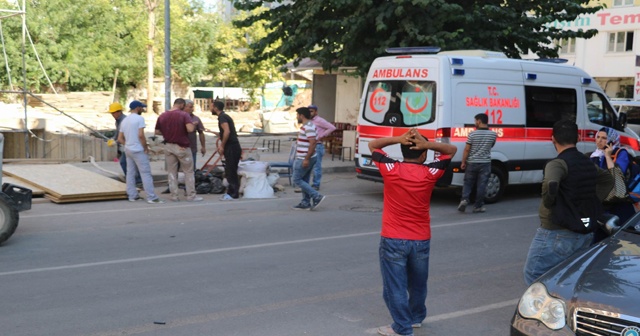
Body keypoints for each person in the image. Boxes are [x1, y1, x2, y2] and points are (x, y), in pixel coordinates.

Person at [369, 129, 456, 336]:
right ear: (423, 154)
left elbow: (373, 145)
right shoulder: (430, 172)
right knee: (418, 283)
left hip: (393, 238)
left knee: (395, 287)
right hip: (421, 240)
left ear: (401, 150)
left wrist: (399, 139)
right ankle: (415, 318)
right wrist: (427, 145)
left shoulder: (390, 168)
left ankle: (402, 328)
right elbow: (451, 150)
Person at [523, 120, 613, 286]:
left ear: (553, 139)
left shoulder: (558, 164)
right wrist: (593, 200)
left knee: (534, 274)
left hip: (556, 231)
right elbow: (608, 179)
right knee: (569, 277)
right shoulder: (587, 162)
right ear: (578, 137)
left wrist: (550, 203)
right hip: (584, 232)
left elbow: (551, 182)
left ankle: (546, 309)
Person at [590, 127, 636, 241]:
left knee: (622, 239)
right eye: (598, 137)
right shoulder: (594, 156)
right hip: (603, 204)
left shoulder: (621, 153)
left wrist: (607, 156)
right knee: (598, 241)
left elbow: (616, 175)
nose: (599, 141)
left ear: (612, 140)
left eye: (604, 138)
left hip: (619, 204)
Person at [154, 98, 203, 202]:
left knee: (172, 172)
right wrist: (193, 125)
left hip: (168, 146)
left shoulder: (162, 115)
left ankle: (174, 196)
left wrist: (168, 133)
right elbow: (190, 129)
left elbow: (157, 132)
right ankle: (191, 195)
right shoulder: (183, 115)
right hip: (182, 147)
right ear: (181, 105)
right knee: (188, 171)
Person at [116, 100, 164, 204]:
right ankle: (151, 197)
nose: (143, 109)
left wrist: (128, 144)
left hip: (128, 150)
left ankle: (132, 195)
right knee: (145, 173)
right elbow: (141, 135)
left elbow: (120, 138)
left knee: (130, 173)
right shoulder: (139, 119)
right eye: (141, 107)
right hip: (138, 150)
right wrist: (145, 147)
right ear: (137, 108)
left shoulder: (125, 120)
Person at [458, 113, 497, 213]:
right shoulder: (493, 134)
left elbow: (467, 149)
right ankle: (478, 206)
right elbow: (490, 146)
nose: (475, 123)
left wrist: (463, 162)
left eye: (475, 121)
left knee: (468, 183)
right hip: (485, 163)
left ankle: (464, 200)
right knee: (482, 185)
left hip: (472, 162)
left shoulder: (472, 134)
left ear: (479, 121)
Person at [291, 107, 326, 210]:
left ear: (301, 115)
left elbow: (313, 143)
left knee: (297, 179)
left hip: (304, 158)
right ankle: (305, 202)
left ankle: (316, 195)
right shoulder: (308, 126)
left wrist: (306, 159)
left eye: (297, 115)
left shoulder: (308, 127)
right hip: (306, 157)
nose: (297, 117)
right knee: (305, 180)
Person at [211, 100, 242, 201]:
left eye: (211, 106)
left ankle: (233, 193)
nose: (210, 109)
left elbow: (227, 132)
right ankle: (232, 192)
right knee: (230, 170)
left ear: (215, 108)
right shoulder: (224, 116)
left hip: (232, 147)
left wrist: (222, 146)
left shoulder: (222, 117)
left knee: (231, 171)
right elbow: (226, 132)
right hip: (233, 146)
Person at [308, 104, 336, 191]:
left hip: (318, 146)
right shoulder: (309, 120)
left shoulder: (319, 120)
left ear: (316, 112)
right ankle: (308, 183)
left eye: (312, 111)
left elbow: (332, 127)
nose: (310, 113)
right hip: (310, 146)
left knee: (317, 166)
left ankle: (316, 184)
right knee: (308, 165)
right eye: (309, 111)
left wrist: (321, 136)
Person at [184, 99, 206, 169]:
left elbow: (201, 133)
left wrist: (203, 146)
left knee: (191, 168)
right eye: (190, 107)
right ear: (184, 107)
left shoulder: (196, 118)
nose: (192, 109)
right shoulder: (179, 117)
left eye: (192, 107)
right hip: (180, 148)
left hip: (192, 148)